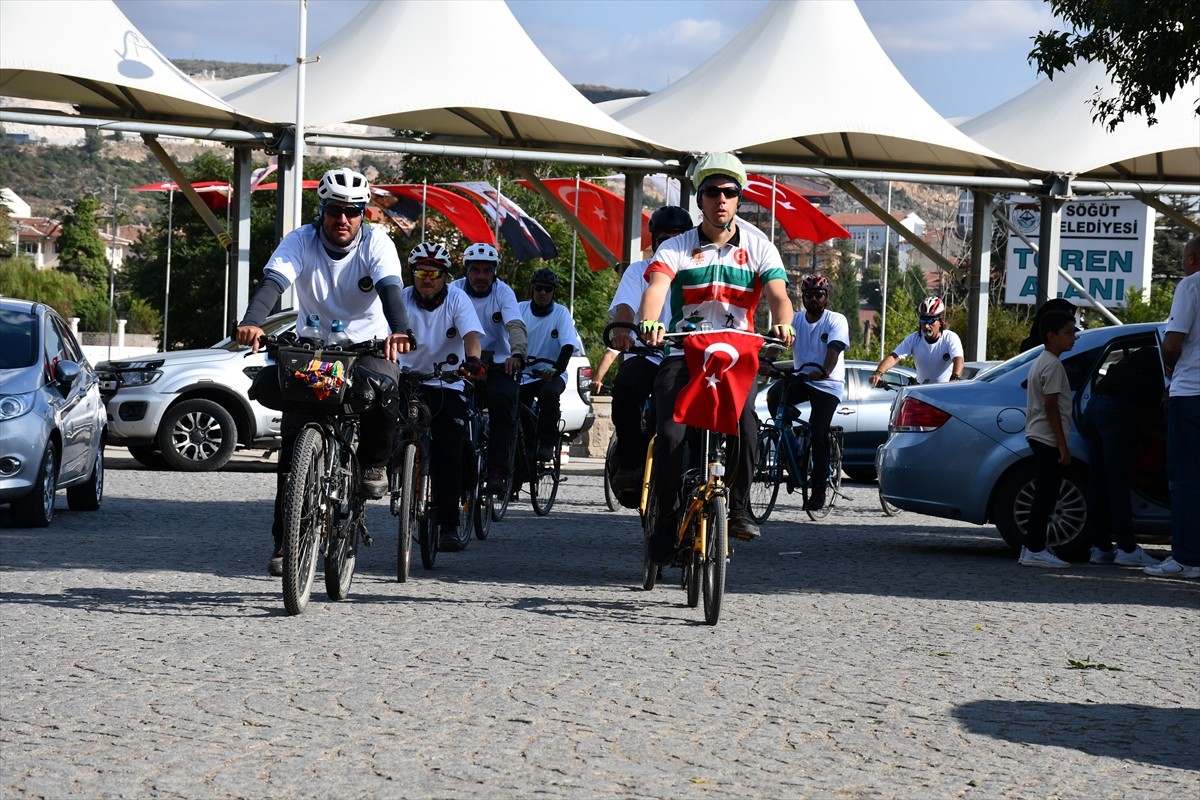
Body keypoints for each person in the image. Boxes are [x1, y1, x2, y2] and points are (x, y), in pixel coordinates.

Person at [236, 167, 412, 577]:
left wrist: (400, 331)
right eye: (336, 210)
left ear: (364, 213)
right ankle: (286, 541)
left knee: (384, 389)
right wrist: (252, 320)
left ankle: (371, 463)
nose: (344, 220)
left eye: (353, 211)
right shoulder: (300, 240)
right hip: (313, 348)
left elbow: (389, 290)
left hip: (367, 344)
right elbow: (273, 282)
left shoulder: (378, 243)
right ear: (323, 210)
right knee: (293, 449)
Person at [638, 152, 795, 563]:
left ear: (738, 198)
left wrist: (783, 324)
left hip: (736, 358)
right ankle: (667, 521)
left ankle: (738, 508)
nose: (720, 200)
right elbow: (655, 289)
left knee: (747, 430)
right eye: (711, 192)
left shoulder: (761, 247)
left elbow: (780, 297)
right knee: (670, 436)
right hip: (683, 354)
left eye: (729, 192)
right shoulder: (675, 247)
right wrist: (650, 321)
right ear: (700, 199)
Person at [398, 241, 484, 553]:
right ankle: (396, 476)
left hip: (447, 383)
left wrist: (472, 361)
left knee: (449, 450)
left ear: (445, 277)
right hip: (407, 380)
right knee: (386, 429)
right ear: (412, 274)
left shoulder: (458, 299)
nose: (428, 279)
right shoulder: (400, 298)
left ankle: (448, 524)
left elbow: (471, 337)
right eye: (421, 272)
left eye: (435, 274)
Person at [607, 205, 695, 506]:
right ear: (653, 241)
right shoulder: (637, 270)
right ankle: (631, 464)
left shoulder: (699, 270)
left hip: (686, 354)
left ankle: (710, 474)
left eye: (677, 238)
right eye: (663, 239)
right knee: (626, 386)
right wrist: (622, 330)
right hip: (648, 353)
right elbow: (625, 307)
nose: (669, 244)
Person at [765, 273, 849, 512]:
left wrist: (823, 371)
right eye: (809, 295)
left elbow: (834, 350)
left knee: (818, 431)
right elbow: (776, 341)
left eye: (819, 295)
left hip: (827, 384)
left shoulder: (836, 320)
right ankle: (795, 454)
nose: (814, 299)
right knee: (774, 397)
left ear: (826, 297)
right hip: (803, 378)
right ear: (803, 297)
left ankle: (819, 489)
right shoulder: (796, 319)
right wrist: (767, 360)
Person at [450, 242, 527, 496]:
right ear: (466, 271)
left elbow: (514, 324)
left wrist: (517, 353)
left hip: (498, 362)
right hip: (462, 362)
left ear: (495, 272)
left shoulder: (503, 292)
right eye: (475, 270)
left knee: (503, 404)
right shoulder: (454, 290)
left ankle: (498, 471)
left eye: (487, 271)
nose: (481, 276)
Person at [1145, 234, 1200, 579]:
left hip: (1191, 393)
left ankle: (1187, 558)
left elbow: (1173, 341)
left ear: (1192, 258)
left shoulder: (1191, 286)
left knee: (1184, 479)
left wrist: (1168, 368)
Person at [1081, 346, 1164, 568]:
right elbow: (1151, 417)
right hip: (1116, 412)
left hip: (1093, 407)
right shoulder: (1162, 368)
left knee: (1097, 483)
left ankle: (1101, 548)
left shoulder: (1138, 358)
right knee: (1118, 483)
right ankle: (1127, 548)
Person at [1018, 308, 1077, 568]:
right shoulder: (1052, 365)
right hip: (1047, 438)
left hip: (1040, 435)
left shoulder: (1042, 361)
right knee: (1046, 495)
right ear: (1052, 336)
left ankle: (1031, 547)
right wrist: (1063, 446)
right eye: (1068, 332)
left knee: (1045, 493)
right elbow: (1051, 406)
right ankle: (1034, 549)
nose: (1074, 337)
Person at [518, 267, 583, 463]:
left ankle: (547, 442)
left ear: (553, 291)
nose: (543, 294)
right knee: (515, 404)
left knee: (549, 394)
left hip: (553, 372)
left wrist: (557, 368)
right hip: (525, 374)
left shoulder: (560, 313)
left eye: (548, 289)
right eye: (539, 289)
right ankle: (523, 447)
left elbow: (568, 345)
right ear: (532, 289)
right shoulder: (520, 309)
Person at [869, 296, 964, 386]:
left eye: (930, 321)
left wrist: (954, 379)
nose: (926, 326)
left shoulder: (950, 338)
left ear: (940, 322)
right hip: (922, 392)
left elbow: (958, 359)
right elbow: (894, 357)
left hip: (943, 393)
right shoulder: (914, 338)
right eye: (923, 320)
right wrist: (878, 373)